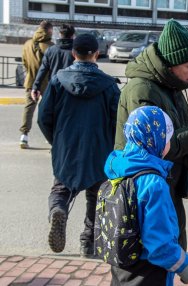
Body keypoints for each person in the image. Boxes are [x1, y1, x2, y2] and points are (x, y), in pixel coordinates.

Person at [114, 19, 188, 251]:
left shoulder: (169, 84)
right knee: (159, 250)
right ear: (171, 63)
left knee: (172, 243)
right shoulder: (143, 90)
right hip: (147, 187)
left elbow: (174, 131)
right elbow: (153, 149)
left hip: (166, 182)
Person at [37, 33, 120, 258]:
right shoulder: (109, 85)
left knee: (61, 189)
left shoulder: (57, 81)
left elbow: (43, 117)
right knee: (96, 196)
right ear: (97, 54)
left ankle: (58, 210)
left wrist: (57, 141)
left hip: (67, 147)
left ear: (73, 54)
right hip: (99, 150)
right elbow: (117, 120)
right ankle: (88, 243)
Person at [107, 106, 188, 285]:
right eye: (167, 137)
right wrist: (183, 266)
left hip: (121, 265)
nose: (169, 142)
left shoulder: (118, 166)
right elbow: (159, 242)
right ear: (154, 139)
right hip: (149, 272)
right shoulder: (153, 183)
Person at [19, 20, 54, 149]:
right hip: (47, 83)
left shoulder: (27, 44)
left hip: (30, 80)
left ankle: (24, 136)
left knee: (28, 109)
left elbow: (24, 62)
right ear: (49, 30)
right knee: (48, 110)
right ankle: (49, 136)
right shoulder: (51, 46)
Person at [31, 24, 76, 101]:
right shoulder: (77, 52)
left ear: (60, 34)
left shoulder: (50, 50)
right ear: (73, 36)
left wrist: (36, 87)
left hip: (54, 89)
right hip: (71, 90)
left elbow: (43, 70)